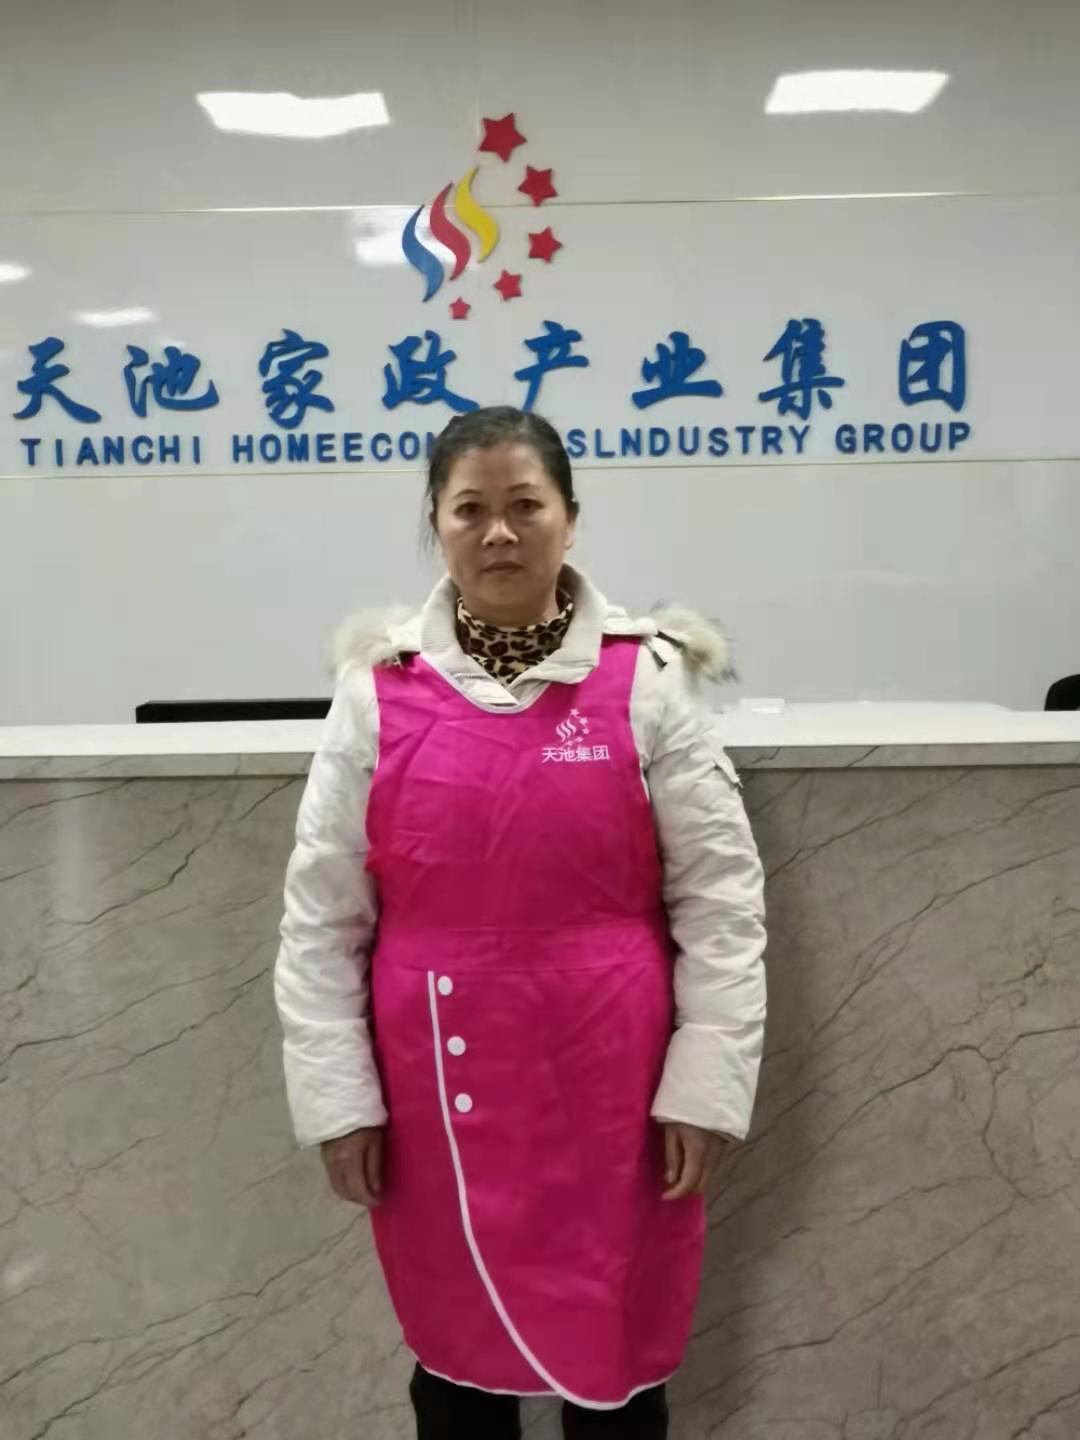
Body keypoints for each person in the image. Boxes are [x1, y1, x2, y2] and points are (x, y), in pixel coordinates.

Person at [273, 406, 767, 1439]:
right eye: (471, 510)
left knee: (616, 1368)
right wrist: (338, 1101)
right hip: (432, 1094)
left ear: (569, 520)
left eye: (525, 506)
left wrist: (706, 1087)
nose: (499, 532)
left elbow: (720, 901)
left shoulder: (647, 682)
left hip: (616, 1090)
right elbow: (321, 918)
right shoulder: (377, 693)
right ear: (437, 526)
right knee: (457, 1377)